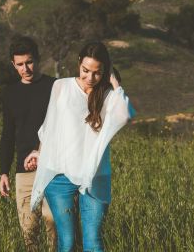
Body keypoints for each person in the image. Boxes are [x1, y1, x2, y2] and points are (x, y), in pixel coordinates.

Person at [24, 41, 135, 252]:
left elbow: (126, 114)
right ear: (78, 64)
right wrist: (39, 151)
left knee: (93, 241)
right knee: (66, 242)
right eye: (85, 70)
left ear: (105, 71)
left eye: (97, 73)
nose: (90, 78)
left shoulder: (109, 96)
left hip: (95, 176)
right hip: (60, 174)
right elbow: (50, 126)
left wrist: (115, 83)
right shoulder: (61, 86)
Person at [0, 36, 56, 251]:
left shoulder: (54, 87)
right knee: (29, 233)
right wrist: (3, 172)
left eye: (29, 62)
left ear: (38, 59)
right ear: (13, 64)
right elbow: (7, 135)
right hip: (23, 172)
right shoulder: (10, 93)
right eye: (20, 64)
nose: (26, 68)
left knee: (54, 228)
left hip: (54, 169)